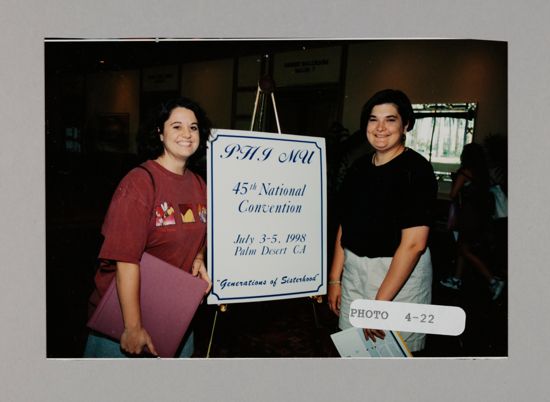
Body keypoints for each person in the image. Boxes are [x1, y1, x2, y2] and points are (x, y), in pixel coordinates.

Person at [84, 97, 212, 357]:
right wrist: (133, 327)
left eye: (194, 127)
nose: (187, 134)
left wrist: (199, 256)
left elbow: (202, 226)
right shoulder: (139, 183)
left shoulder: (200, 184)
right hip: (125, 320)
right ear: (160, 133)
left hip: (174, 316)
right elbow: (126, 259)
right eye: (176, 126)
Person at [327, 89, 437, 353]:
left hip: (398, 275)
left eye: (390, 119)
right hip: (354, 271)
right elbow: (346, 224)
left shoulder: (417, 170)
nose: (380, 128)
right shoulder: (358, 168)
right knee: (355, 348)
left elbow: (414, 245)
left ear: (406, 124)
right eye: (373, 119)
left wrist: (380, 304)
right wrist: (334, 278)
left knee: (394, 353)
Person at [440, 143, 505, 300]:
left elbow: (453, 194)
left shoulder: (465, 172)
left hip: (467, 217)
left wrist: (457, 180)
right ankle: (456, 279)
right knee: (463, 248)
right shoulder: (482, 174)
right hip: (481, 217)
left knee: (464, 250)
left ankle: (493, 280)